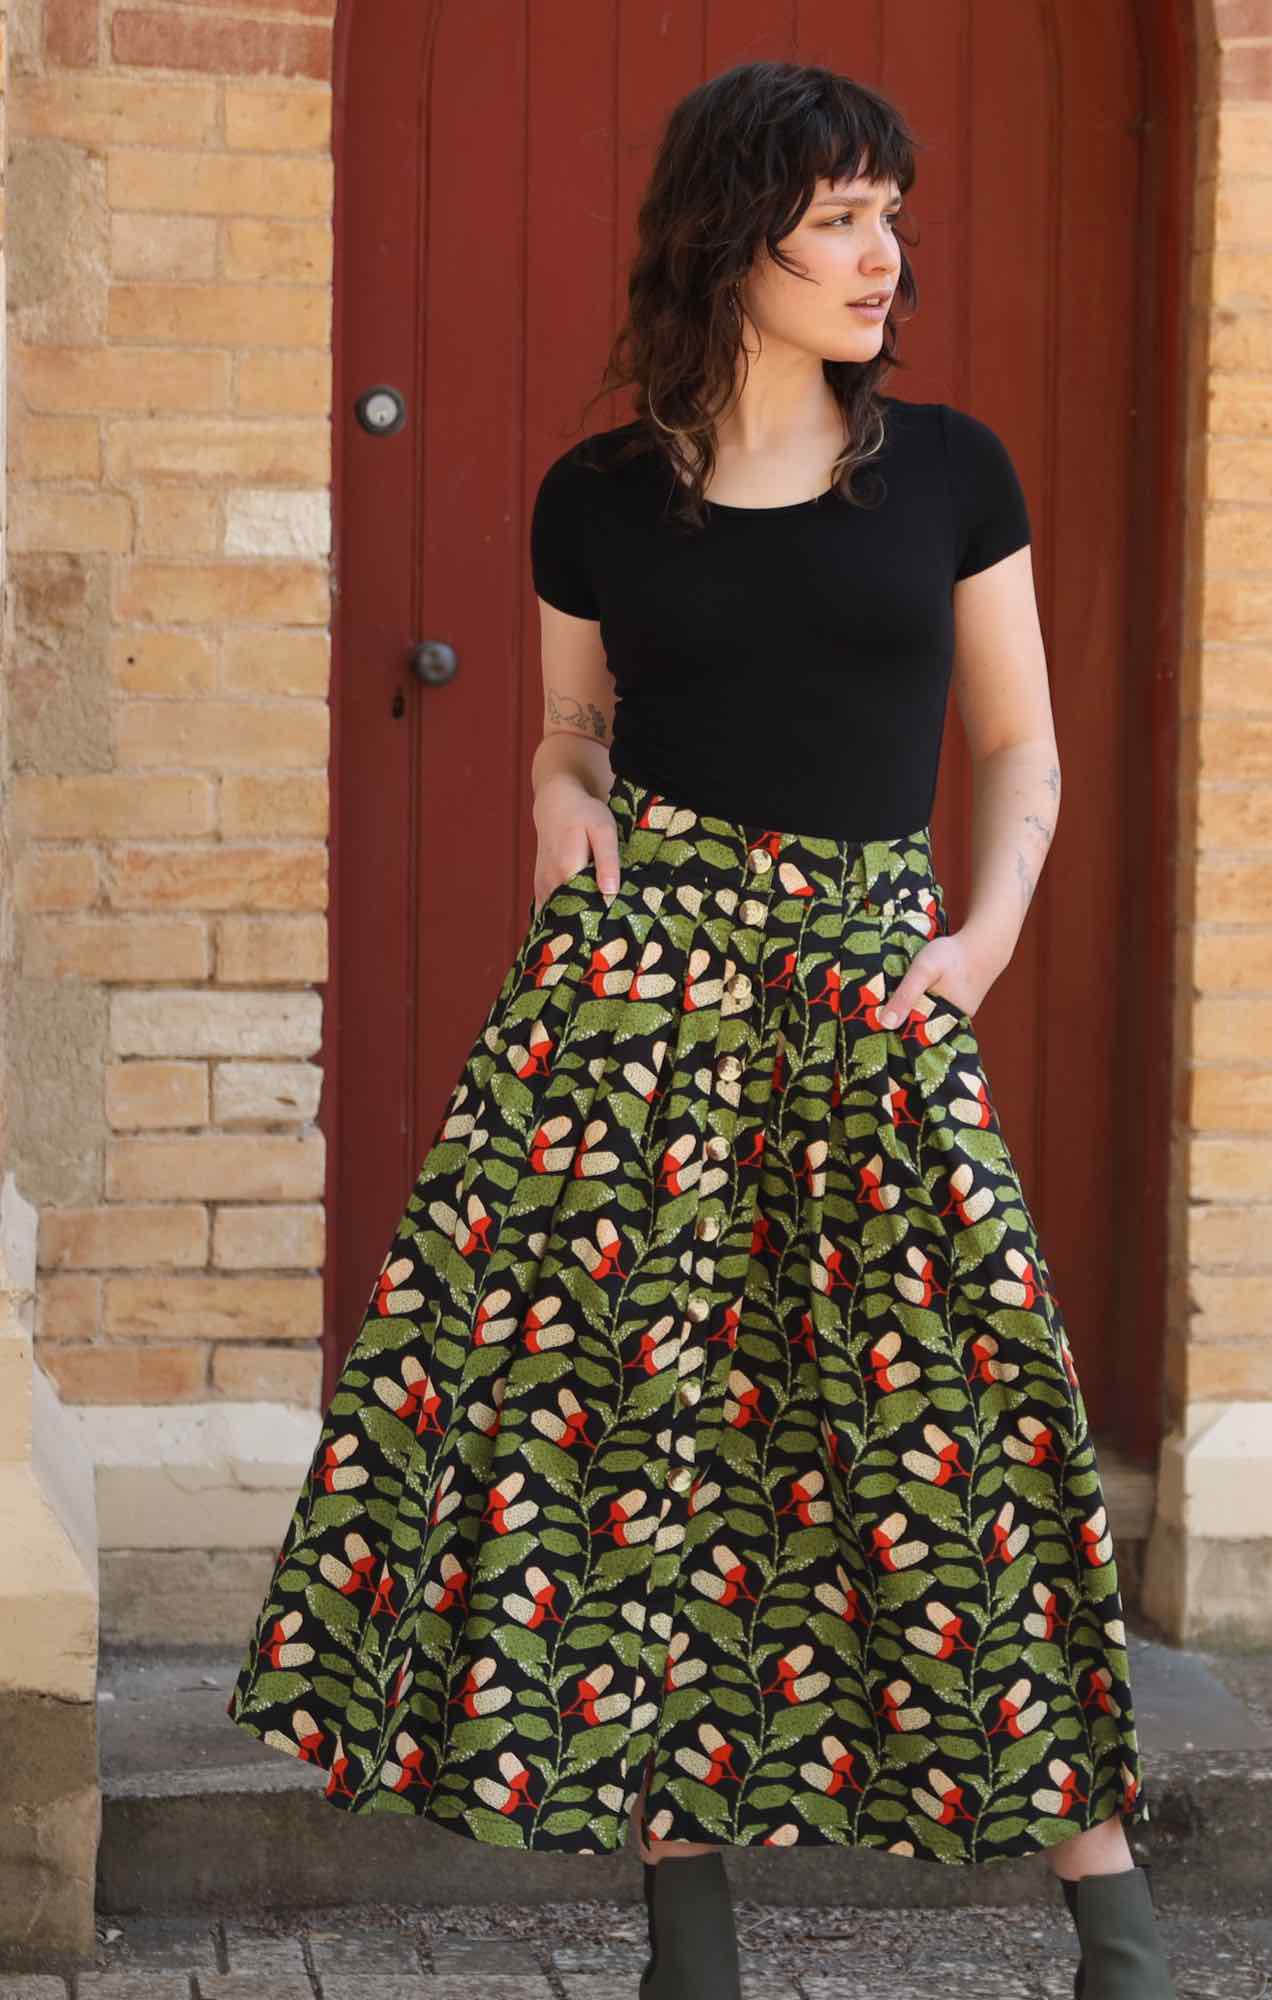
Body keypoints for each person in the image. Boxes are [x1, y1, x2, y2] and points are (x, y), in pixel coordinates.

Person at [221, 56, 1175, 2000]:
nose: (882, 251)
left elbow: (1021, 749)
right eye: (840, 216)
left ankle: (1116, 1924)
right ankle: (688, 1930)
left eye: (889, 213)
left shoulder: (953, 473)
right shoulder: (600, 500)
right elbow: (572, 729)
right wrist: (562, 803)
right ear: (730, 238)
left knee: (956, 1420)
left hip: (866, 983)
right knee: (638, 1441)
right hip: (635, 1001)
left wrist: (980, 943)